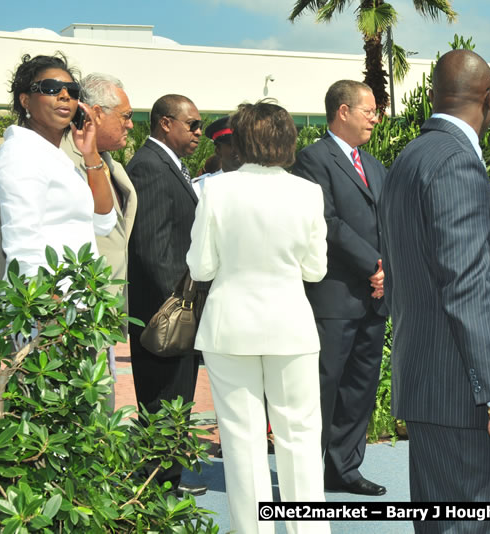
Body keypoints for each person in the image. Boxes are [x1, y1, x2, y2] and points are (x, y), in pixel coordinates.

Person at [378, 49, 490, 533]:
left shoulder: (410, 158)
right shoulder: (457, 163)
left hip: (426, 382)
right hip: (463, 395)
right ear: (489, 98)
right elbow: (467, 287)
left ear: (435, 96)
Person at [186, 100, 329, 534]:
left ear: (242, 141)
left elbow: (201, 267)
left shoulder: (216, 190)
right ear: (288, 142)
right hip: (291, 325)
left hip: (230, 325)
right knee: (300, 436)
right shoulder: (308, 192)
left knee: (241, 438)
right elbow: (316, 270)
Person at [292, 80, 388, 496]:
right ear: (343, 111)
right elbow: (326, 223)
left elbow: (388, 223)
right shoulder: (313, 160)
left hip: (374, 298)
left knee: (360, 388)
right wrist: (372, 263)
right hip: (335, 298)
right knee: (324, 387)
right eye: (368, 110)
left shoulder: (376, 165)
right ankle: (310, 474)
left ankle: (345, 469)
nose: (374, 117)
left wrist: (388, 269)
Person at [126, 94, 207, 497]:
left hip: (176, 308)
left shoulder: (168, 165)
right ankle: (156, 485)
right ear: (164, 123)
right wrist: (181, 304)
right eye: (192, 124)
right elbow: (152, 248)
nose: (198, 132)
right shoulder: (151, 168)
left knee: (176, 399)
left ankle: (167, 478)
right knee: (163, 399)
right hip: (166, 313)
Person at [0, 53, 115, 280]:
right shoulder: (20, 153)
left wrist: (90, 154)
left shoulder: (56, 157)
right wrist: (49, 309)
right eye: (50, 88)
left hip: (77, 302)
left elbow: (104, 222)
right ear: (25, 100)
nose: (64, 96)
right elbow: (22, 243)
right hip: (47, 305)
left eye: (72, 91)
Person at [60, 73, 137, 411]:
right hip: (69, 314)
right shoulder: (61, 161)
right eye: (126, 116)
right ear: (93, 113)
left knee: (100, 409)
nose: (131, 125)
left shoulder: (110, 165)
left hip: (103, 312)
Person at [191, 115, 240, 195]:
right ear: (218, 151)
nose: (238, 150)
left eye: (242, 145)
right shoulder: (201, 187)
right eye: (231, 145)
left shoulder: (261, 184)